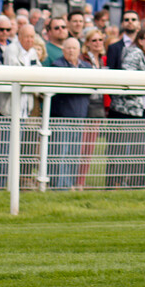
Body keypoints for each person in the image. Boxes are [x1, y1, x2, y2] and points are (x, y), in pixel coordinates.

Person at [107, 29, 145, 188]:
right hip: (125, 111)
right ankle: (114, 183)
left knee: (138, 151)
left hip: (142, 111)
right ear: (140, 41)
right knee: (119, 151)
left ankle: (133, 183)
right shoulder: (134, 53)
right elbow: (128, 78)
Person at [49, 37, 91, 190]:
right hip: (62, 117)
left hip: (79, 116)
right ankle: (59, 186)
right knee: (60, 153)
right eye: (68, 48)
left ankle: (69, 184)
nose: (71, 51)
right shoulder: (57, 65)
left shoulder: (87, 67)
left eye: (74, 48)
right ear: (63, 50)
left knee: (73, 153)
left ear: (79, 51)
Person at [78, 28, 107, 189]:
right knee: (81, 145)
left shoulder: (102, 60)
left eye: (100, 40)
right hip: (86, 104)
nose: (97, 43)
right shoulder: (83, 59)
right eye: (94, 40)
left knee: (90, 147)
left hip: (98, 105)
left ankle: (81, 181)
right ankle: (76, 180)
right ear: (87, 43)